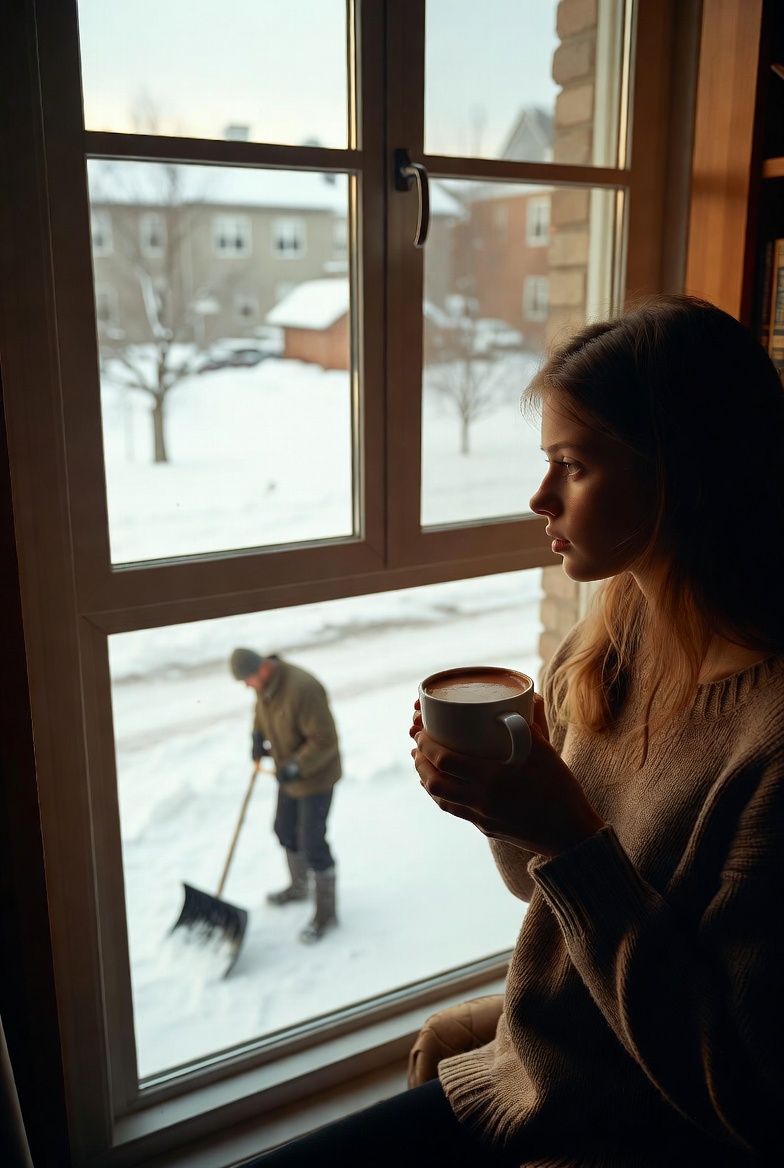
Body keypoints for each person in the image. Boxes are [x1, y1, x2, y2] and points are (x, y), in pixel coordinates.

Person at [244, 295, 784, 1166]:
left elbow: (749, 1095)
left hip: (616, 1127)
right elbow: (551, 902)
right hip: (530, 1074)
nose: (540, 497)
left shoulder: (771, 744)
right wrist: (508, 812)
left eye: (572, 465)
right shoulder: (616, 640)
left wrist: (568, 833)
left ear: (681, 471)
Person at [229, 648, 341, 944]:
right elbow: (262, 710)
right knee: (284, 830)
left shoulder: (303, 689)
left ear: (263, 670)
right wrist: (256, 736)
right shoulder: (266, 686)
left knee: (312, 842)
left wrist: (296, 765)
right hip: (289, 774)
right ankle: (299, 886)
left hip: (316, 776)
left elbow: (326, 739)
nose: (247, 686)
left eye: (247, 680)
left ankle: (327, 914)